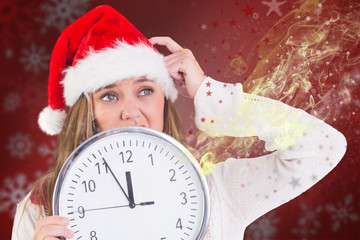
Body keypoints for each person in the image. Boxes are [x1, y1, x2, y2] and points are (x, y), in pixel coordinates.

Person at [11, 5, 347, 240]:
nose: (131, 111)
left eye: (145, 90)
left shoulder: (218, 190)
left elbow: (323, 147)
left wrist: (209, 93)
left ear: (164, 100)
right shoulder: (43, 207)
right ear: (88, 111)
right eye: (110, 96)